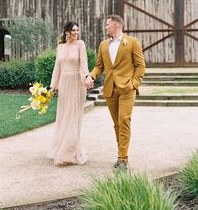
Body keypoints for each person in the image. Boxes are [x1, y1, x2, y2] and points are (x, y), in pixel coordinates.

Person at [85, 14, 145, 170]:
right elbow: (99, 66)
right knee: (117, 124)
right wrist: (91, 75)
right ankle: (122, 153)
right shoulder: (103, 45)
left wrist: (134, 83)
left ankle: (123, 159)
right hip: (110, 89)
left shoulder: (132, 42)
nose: (105, 27)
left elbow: (140, 66)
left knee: (124, 120)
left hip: (127, 89)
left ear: (117, 25)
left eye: (107, 24)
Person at [48, 21, 89, 166]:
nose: (76, 33)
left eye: (77, 30)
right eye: (73, 30)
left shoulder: (80, 45)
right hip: (64, 84)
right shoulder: (60, 47)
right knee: (63, 116)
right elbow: (57, 68)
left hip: (77, 84)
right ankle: (60, 147)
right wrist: (52, 87)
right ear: (66, 32)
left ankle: (67, 153)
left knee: (73, 118)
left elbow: (84, 65)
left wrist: (87, 78)